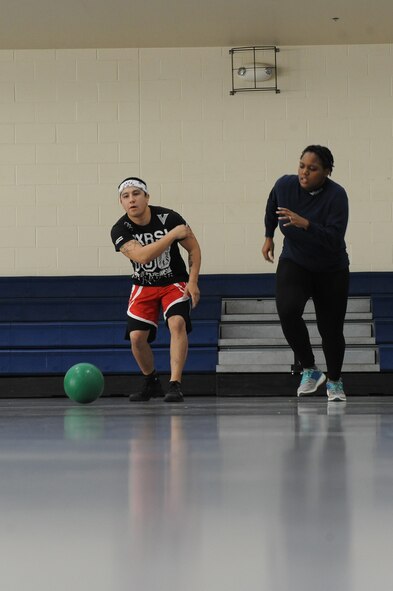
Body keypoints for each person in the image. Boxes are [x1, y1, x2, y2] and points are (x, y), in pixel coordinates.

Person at [261, 145, 349, 402]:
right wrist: (269, 235)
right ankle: (310, 369)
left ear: (327, 172)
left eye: (312, 169)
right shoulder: (285, 185)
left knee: (330, 328)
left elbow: (334, 238)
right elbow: (272, 205)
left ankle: (335, 381)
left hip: (331, 268)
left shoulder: (336, 196)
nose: (304, 173)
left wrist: (307, 224)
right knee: (287, 310)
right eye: (301, 165)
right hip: (296, 261)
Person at [111, 177, 201, 403]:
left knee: (177, 323)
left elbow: (193, 248)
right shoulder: (120, 229)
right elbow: (142, 257)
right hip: (144, 284)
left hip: (174, 281)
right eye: (126, 196)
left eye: (136, 194)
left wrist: (193, 281)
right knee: (136, 338)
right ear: (121, 202)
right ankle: (150, 380)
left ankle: (175, 384)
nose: (131, 199)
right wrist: (171, 235)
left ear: (147, 197)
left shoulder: (169, 217)